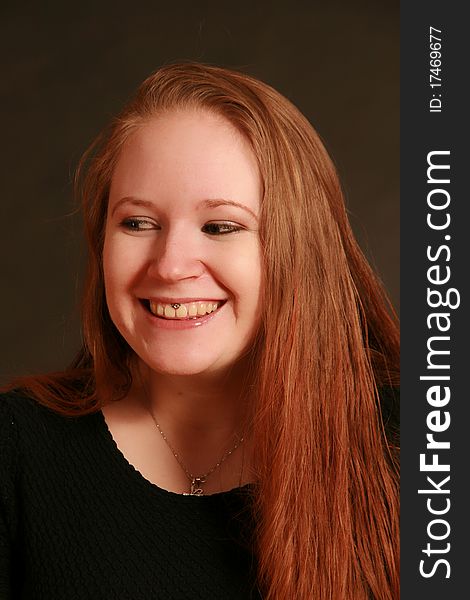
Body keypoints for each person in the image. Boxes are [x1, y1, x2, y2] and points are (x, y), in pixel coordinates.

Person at [0, 62, 399, 600]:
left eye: (221, 227)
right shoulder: (16, 446)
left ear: (300, 250)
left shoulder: (416, 449)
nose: (169, 266)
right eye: (138, 222)